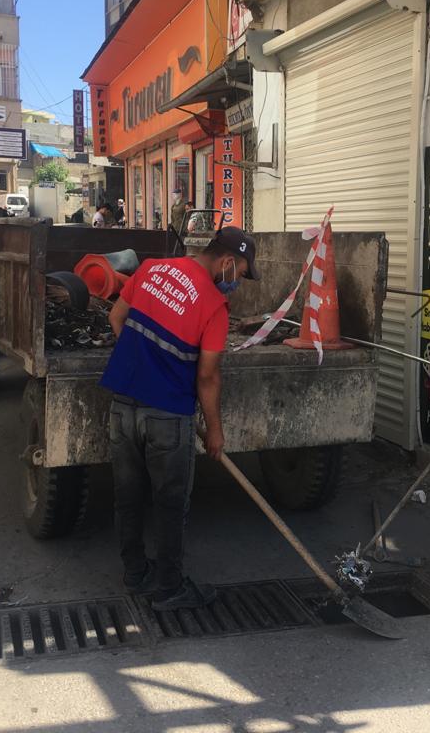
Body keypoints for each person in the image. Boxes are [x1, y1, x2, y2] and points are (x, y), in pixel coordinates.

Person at [101, 227, 259, 611]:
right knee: (170, 505)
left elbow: (116, 318)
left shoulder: (152, 269)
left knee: (129, 498)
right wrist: (216, 433)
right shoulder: (213, 308)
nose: (237, 281)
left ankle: (135, 573)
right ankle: (169, 588)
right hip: (168, 419)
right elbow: (208, 377)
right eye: (238, 272)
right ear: (225, 262)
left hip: (122, 405)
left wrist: (141, 364)